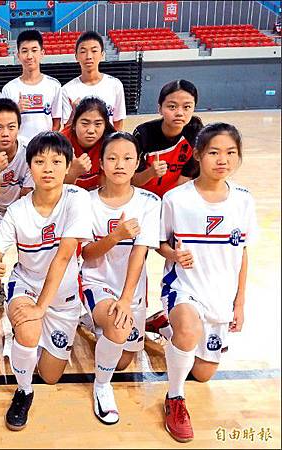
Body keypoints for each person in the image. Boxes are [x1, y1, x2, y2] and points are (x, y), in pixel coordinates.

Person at [0, 131, 93, 431]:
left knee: (51, 375)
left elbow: (63, 257)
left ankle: (24, 346)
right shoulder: (17, 210)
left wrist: (43, 308)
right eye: (40, 161)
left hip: (64, 295)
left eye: (57, 161)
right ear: (28, 166)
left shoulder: (77, 200)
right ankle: (23, 390)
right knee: (29, 334)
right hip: (27, 285)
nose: (48, 168)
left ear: (68, 165)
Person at [158, 123, 257, 442]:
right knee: (187, 334)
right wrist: (173, 253)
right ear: (199, 155)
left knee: (203, 374)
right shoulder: (175, 199)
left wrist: (239, 303)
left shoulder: (243, 200)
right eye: (214, 152)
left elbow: (242, 253)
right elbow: (160, 244)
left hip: (220, 297)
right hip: (183, 287)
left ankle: (167, 328)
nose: (222, 159)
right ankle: (174, 398)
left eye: (230, 153)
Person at [80, 132, 161, 425]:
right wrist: (116, 236)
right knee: (117, 325)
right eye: (112, 157)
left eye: (128, 158)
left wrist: (126, 299)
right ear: (100, 162)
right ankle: (102, 387)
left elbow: (140, 254)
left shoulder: (150, 202)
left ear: (138, 162)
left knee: (124, 357)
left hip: (131, 287)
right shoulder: (85, 202)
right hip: (95, 281)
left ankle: (96, 324)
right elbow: (87, 254)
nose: (119, 164)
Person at [132, 80, 204, 338]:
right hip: (143, 207)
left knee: (178, 259)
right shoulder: (144, 134)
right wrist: (150, 172)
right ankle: (136, 310)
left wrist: (169, 212)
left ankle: (171, 313)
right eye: (172, 106)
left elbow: (186, 181)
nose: (179, 113)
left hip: (173, 206)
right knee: (136, 262)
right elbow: (132, 181)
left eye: (187, 107)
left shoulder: (195, 132)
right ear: (160, 107)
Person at [2, 30, 62, 141]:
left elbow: (56, 122)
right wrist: (16, 110)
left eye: (34, 50)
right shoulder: (9, 89)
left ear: (42, 53)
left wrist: (48, 144)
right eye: (24, 51)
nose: (29, 56)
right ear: (18, 55)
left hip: (45, 150)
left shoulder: (54, 85)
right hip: (19, 152)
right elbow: (3, 123)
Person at [61, 31, 126, 130]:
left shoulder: (115, 85)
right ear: (76, 56)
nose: (89, 56)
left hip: (107, 144)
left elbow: (118, 123)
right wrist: (74, 112)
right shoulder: (67, 90)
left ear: (102, 54)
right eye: (83, 51)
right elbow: (67, 128)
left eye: (94, 51)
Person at [62, 96, 116, 191]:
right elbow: (51, 188)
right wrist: (73, 172)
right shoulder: (60, 143)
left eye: (98, 124)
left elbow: (109, 186)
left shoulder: (112, 144)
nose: (91, 130)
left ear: (105, 126)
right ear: (74, 125)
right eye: (85, 123)